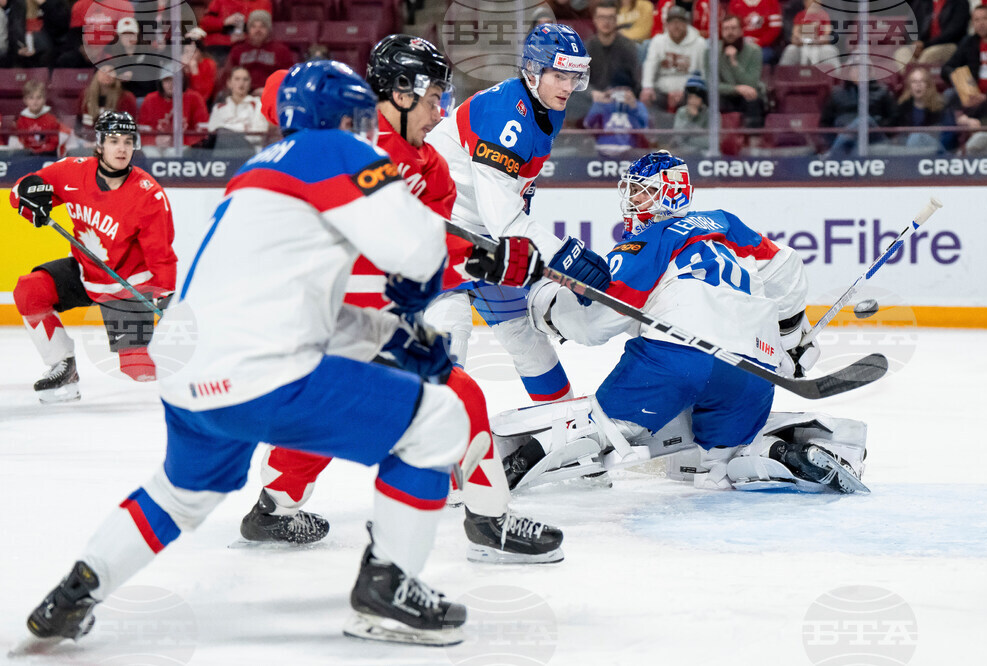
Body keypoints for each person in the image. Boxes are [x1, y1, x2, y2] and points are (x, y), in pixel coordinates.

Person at [17, 61, 474, 652]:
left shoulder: (255, 174)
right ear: (342, 120)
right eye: (360, 118)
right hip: (261, 374)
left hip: (190, 371)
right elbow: (420, 251)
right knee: (439, 420)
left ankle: (75, 592)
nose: (366, 130)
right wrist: (422, 295)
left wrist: (387, 335)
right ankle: (389, 591)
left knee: (178, 495)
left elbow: (297, 306)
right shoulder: (333, 150)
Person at [240, 36, 567, 565]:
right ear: (399, 92)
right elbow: (278, 91)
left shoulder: (431, 169)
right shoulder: (344, 138)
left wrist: (491, 259)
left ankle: (272, 510)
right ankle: (482, 523)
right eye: (435, 98)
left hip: (360, 322)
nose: (441, 112)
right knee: (452, 399)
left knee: (335, 414)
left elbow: (427, 247)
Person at [498, 151, 867, 495]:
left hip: (678, 357)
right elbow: (786, 266)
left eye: (641, 192)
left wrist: (547, 307)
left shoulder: (648, 241)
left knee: (605, 427)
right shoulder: (725, 224)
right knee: (721, 466)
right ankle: (781, 455)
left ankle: (508, 468)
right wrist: (790, 337)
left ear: (665, 195)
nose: (632, 201)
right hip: (754, 368)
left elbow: (598, 320)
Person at [425, 23, 610, 405]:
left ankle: (563, 424)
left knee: (524, 336)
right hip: (441, 232)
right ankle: (434, 428)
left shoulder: (545, 105)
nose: (567, 86)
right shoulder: (505, 116)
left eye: (574, 77)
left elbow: (509, 199)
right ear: (532, 70)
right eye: (559, 75)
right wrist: (562, 256)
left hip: (486, 241)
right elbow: (503, 218)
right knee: (450, 331)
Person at [9, 111, 176, 403]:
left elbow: (160, 255)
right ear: (99, 144)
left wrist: (165, 293)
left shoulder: (149, 195)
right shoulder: (71, 172)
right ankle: (63, 366)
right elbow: (21, 190)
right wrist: (28, 198)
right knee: (29, 290)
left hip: (126, 287)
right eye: (114, 141)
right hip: (85, 272)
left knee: (138, 371)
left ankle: (193, 389)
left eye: (128, 141)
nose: (122, 148)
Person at [641, 6, 706, 117]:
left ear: (687, 24)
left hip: (689, 91)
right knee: (647, 96)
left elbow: (703, 73)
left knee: (698, 98)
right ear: (667, 25)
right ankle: (654, 128)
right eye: (672, 22)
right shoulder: (658, 41)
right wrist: (647, 87)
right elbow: (649, 66)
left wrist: (687, 92)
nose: (676, 26)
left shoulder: (700, 43)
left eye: (680, 22)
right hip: (662, 91)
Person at [705, 14, 768, 128]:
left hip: (747, 96)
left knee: (754, 100)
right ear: (721, 32)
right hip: (724, 95)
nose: (730, 32)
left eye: (733, 28)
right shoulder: (712, 52)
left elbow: (752, 83)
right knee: (709, 99)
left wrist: (734, 63)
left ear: (741, 31)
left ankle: (752, 138)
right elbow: (711, 84)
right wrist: (736, 89)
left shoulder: (754, 51)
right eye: (726, 29)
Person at [221, 9, 294, 95]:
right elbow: (227, 77)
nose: (257, 30)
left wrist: (269, 90)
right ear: (248, 29)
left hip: (271, 95)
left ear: (269, 29)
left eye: (262, 26)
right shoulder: (238, 50)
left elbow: (288, 77)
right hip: (242, 95)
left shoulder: (281, 51)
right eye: (253, 26)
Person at [137, 70, 210, 155]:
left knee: (173, 153)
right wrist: (155, 140)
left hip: (184, 144)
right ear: (160, 82)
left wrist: (180, 140)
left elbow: (203, 131)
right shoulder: (150, 99)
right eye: (167, 80)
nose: (171, 84)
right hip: (157, 146)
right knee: (150, 153)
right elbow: (142, 132)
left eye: (176, 79)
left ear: (182, 81)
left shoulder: (195, 98)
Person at [888, 66, 957, 154]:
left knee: (915, 137)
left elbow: (948, 134)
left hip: (935, 149)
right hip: (908, 148)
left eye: (922, 81)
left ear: (928, 85)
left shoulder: (941, 106)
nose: (918, 85)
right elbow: (896, 135)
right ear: (909, 86)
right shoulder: (902, 107)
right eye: (914, 82)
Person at [584, 68, 650, 157]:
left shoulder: (637, 105)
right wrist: (600, 103)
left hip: (630, 150)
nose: (621, 93)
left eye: (625, 89)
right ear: (611, 89)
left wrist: (633, 107)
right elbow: (588, 124)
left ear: (631, 91)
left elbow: (645, 127)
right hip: (603, 148)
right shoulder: (604, 103)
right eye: (618, 89)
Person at [586, 0, 643, 97]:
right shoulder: (588, 47)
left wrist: (628, 93)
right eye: (602, 17)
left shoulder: (628, 47)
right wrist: (593, 94)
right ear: (594, 19)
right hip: (594, 98)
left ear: (616, 19)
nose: (606, 22)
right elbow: (579, 82)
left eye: (610, 17)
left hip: (621, 97)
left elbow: (637, 83)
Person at [941, 5, 987, 98]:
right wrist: (960, 79)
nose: (981, 23)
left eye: (985, 18)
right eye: (976, 20)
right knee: (947, 94)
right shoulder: (968, 42)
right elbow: (947, 68)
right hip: (971, 94)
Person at [76, 65, 139, 145]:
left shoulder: (126, 98)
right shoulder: (85, 95)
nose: (107, 74)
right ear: (96, 74)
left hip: (115, 142)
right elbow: (78, 122)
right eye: (103, 70)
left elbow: (128, 127)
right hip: (86, 140)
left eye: (111, 71)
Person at [207, 66, 268, 140]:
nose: (241, 83)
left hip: (247, 145)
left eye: (245, 79)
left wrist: (231, 130)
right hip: (223, 145)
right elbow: (212, 132)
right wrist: (240, 128)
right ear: (229, 83)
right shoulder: (218, 108)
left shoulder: (257, 104)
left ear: (250, 83)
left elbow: (259, 134)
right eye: (237, 79)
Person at [199, 0, 272, 62]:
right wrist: (224, 22)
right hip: (220, 47)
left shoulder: (263, 3)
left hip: (247, 46)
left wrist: (245, 37)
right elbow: (205, 24)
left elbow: (264, 30)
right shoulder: (220, 1)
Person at [777, 0, 839, 67]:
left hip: (820, 45)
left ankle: (835, 73)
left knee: (828, 50)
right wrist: (800, 39)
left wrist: (819, 39)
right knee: (790, 49)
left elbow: (827, 33)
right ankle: (783, 73)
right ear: (805, 3)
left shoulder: (824, 15)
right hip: (802, 44)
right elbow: (795, 33)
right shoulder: (800, 15)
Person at [11, 79, 60, 156]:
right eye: (31, 98)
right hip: (27, 155)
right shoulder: (21, 120)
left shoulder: (52, 119)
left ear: (44, 99)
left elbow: (54, 142)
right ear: (25, 100)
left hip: (47, 155)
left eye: (39, 97)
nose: (35, 101)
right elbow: (21, 142)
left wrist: (41, 150)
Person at [727, 0, 783, 65]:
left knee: (757, 56)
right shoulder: (735, 2)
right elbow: (731, 29)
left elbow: (775, 30)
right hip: (740, 45)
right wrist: (741, 42)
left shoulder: (771, 2)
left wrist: (759, 42)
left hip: (764, 47)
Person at [669, 72, 709, 154]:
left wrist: (689, 136)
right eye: (690, 97)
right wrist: (690, 117)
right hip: (684, 152)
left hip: (704, 153)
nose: (692, 101)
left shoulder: (713, 114)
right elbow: (678, 138)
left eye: (696, 97)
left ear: (703, 99)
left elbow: (710, 142)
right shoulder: (681, 112)